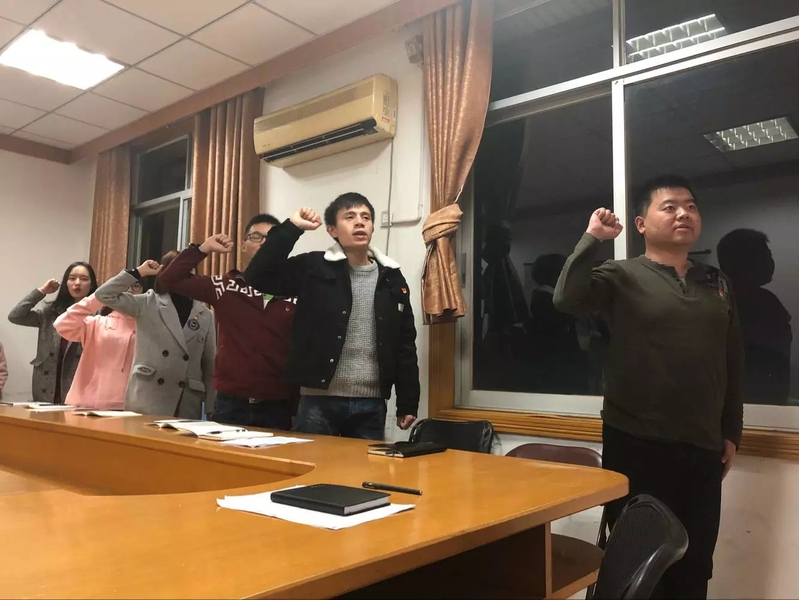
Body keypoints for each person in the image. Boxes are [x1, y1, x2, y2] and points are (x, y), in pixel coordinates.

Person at [553, 174, 743, 599]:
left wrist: (732, 430)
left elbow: (733, 358)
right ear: (641, 224)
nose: (683, 214)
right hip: (637, 442)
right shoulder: (620, 275)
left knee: (695, 565)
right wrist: (592, 238)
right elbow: (566, 299)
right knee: (637, 566)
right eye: (669, 206)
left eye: (690, 206)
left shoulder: (717, 282)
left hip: (702, 445)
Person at [244, 193, 420, 440]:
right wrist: (292, 228)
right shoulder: (314, 267)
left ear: (371, 227)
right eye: (349, 217)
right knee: (314, 463)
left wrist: (408, 402)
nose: (359, 222)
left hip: (371, 404)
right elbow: (258, 276)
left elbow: (404, 344)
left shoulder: (392, 278)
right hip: (318, 402)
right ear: (332, 230)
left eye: (365, 217)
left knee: (362, 466)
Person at [158, 214, 297, 429]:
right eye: (256, 237)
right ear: (244, 245)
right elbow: (169, 278)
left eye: (271, 238)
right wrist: (202, 249)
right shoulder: (226, 285)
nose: (263, 243)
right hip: (231, 403)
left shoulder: (296, 291)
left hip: (278, 405)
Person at [95, 253, 216, 419]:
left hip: (186, 401)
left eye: (189, 271)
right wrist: (138, 272)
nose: (183, 275)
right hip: (148, 397)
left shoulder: (205, 314)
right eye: (176, 270)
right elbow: (104, 294)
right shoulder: (147, 302)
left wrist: (211, 406)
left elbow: (210, 363)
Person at [717, 229, 792, 405]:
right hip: (754, 400)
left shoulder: (761, 299)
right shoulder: (750, 301)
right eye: (767, 255)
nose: (771, 262)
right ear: (747, 262)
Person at [8, 262, 97, 403]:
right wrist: (41, 291)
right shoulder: (51, 312)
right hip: (46, 385)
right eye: (72, 278)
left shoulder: (98, 315)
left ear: (91, 285)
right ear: (66, 283)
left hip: (80, 386)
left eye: (84, 279)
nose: (77, 283)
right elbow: (15, 316)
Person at [53, 281, 141, 410]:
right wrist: (99, 297)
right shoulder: (96, 323)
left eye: (136, 286)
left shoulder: (151, 328)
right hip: (87, 404)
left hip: (132, 406)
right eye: (123, 287)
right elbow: (62, 324)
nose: (129, 291)